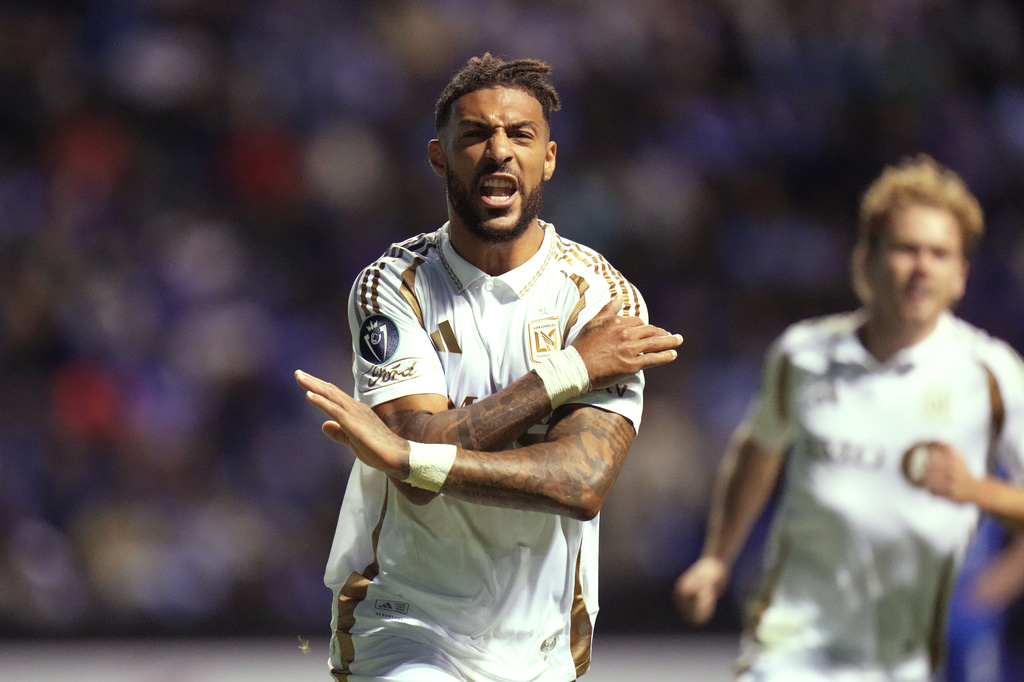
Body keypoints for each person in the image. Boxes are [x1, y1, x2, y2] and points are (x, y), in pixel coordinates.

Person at [295, 54, 683, 682]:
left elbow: (580, 483)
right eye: (475, 134)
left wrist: (408, 455)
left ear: (549, 159)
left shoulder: (602, 301)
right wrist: (568, 372)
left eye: (520, 135)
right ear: (438, 156)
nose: (498, 151)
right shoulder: (394, 287)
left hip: (542, 640)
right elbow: (418, 454)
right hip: (405, 620)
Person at [673, 154, 1024, 682]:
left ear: (961, 276)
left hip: (910, 659)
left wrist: (975, 490)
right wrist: (717, 558)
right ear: (866, 260)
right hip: (793, 648)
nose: (921, 267)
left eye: (939, 253)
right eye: (905, 249)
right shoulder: (803, 355)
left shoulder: (991, 373)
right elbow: (758, 449)